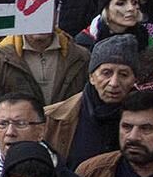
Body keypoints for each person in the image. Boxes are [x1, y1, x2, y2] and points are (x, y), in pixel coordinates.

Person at [0, 27, 91, 144]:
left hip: (69, 146)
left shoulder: (81, 57)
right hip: (18, 150)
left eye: (46, 10)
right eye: (32, 9)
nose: (40, 18)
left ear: (56, 13)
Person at [43, 34, 140, 170]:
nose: (114, 83)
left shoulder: (147, 118)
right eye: (106, 73)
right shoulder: (53, 118)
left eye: (123, 74)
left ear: (134, 80)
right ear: (92, 77)